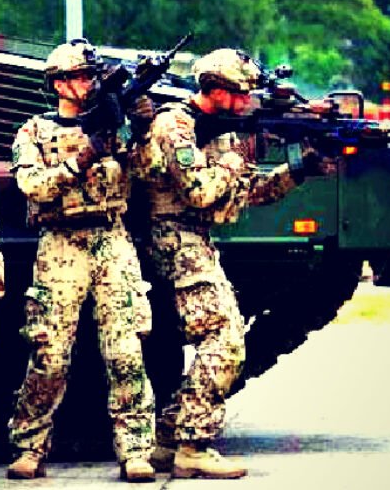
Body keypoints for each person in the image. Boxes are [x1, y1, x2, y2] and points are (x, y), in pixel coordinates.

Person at [135, 48, 315, 479]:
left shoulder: (223, 132)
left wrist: (298, 170)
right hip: (173, 238)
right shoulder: (174, 124)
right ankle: (192, 446)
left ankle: (168, 439)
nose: (246, 102)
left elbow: (247, 193)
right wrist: (236, 159)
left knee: (224, 336)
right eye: (239, 94)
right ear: (214, 89)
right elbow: (199, 192)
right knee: (226, 339)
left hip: (197, 239)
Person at [5, 40, 156, 483]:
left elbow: (149, 171)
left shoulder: (116, 124)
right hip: (61, 243)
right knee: (49, 354)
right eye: (80, 77)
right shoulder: (34, 132)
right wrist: (82, 158)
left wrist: (142, 128)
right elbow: (33, 186)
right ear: (58, 84)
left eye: (92, 76)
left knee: (125, 351)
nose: (89, 84)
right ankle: (29, 446)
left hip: (111, 238)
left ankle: (136, 450)